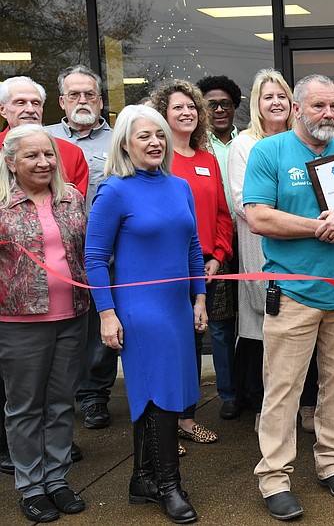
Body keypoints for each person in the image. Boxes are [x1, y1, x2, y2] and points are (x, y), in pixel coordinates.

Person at [243, 74, 334, 521]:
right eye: (318, 106)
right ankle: (275, 478)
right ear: (298, 108)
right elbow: (258, 217)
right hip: (293, 292)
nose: (328, 114)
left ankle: (332, 461)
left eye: (333, 107)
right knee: (283, 389)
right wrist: (318, 226)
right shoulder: (271, 151)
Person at [85, 105, 204, 523]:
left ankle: (143, 479)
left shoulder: (179, 186)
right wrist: (106, 313)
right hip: (139, 310)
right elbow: (95, 258)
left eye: (159, 134)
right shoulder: (114, 190)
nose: (155, 142)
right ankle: (168, 486)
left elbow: (193, 247)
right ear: (124, 144)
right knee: (162, 394)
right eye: (143, 136)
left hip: (175, 306)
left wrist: (200, 298)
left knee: (165, 392)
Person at [0, 125, 89, 522]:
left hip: (72, 316)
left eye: (48, 154)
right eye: (32, 156)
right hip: (19, 322)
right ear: (11, 162)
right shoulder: (2, 204)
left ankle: (56, 480)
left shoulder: (72, 199)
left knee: (59, 404)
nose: (43, 162)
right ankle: (30, 486)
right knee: (24, 408)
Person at [152, 80, 233, 449]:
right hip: (163, 270)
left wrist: (217, 256)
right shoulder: (155, 160)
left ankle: (186, 418)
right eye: (177, 108)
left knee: (192, 344)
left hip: (204, 268)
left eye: (191, 107)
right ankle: (161, 425)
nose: (186, 113)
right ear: (162, 115)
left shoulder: (207, 160)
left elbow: (220, 213)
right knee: (165, 345)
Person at [47, 65, 116, 432]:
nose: (83, 100)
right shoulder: (44, 140)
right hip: (56, 255)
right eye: (74, 94)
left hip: (109, 252)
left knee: (102, 325)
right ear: (61, 101)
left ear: (101, 100)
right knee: (65, 329)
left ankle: (94, 397)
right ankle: (60, 397)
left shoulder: (121, 138)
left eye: (90, 94)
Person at [227, 68, 294, 427]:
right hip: (260, 246)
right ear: (257, 104)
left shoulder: (303, 140)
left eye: (281, 95)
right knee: (263, 328)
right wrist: (290, 213)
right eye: (268, 97)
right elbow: (241, 201)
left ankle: (302, 404)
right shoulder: (244, 145)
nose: (276, 102)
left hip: (302, 246)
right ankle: (266, 411)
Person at [196, 75, 242, 420]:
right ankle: (228, 394)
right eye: (211, 104)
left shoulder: (249, 142)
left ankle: (251, 386)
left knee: (256, 316)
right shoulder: (199, 148)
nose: (219, 109)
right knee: (221, 321)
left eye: (226, 103)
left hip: (251, 236)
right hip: (218, 241)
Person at [0, 76, 88, 197]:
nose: (30, 109)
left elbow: (75, 207)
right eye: (20, 103)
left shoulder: (72, 153)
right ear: (2, 109)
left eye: (36, 103)